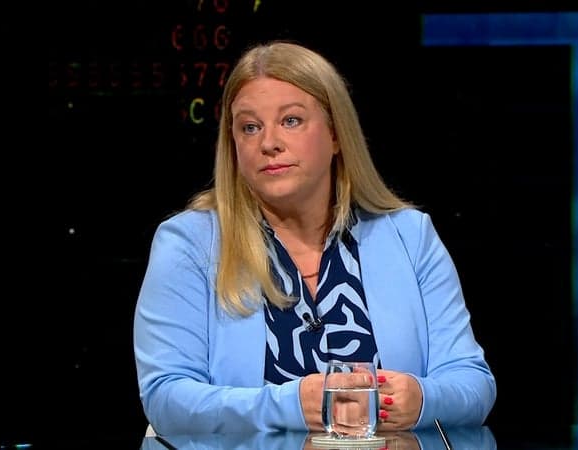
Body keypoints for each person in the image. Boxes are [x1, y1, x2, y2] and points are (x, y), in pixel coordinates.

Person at [133, 40, 496, 435]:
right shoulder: (190, 244)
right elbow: (165, 397)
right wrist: (288, 405)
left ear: (336, 135)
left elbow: (472, 382)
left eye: (291, 121)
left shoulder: (409, 236)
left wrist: (423, 399)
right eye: (250, 127)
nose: (268, 143)